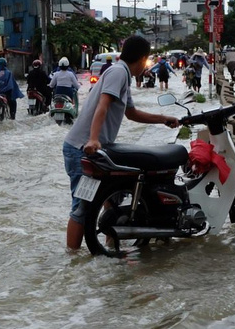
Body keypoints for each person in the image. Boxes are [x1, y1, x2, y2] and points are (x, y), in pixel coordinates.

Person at [62, 35, 180, 251]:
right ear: (143, 58)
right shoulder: (118, 72)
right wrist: (94, 138)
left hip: (95, 148)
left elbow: (131, 113)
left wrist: (163, 119)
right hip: (81, 148)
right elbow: (103, 106)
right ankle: (73, 261)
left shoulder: (122, 73)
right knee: (82, 208)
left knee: (112, 200)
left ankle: (112, 249)